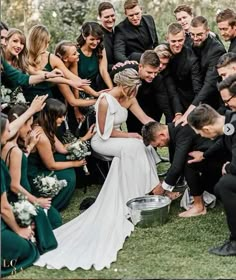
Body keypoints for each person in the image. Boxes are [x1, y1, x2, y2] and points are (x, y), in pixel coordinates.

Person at [33, 68, 161, 270]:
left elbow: (145, 119)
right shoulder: (105, 100)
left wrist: (167, 129)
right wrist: (131, 135)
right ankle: (151, 191)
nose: (136, 91)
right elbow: (104, 132)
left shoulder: (129, 98)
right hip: (102, 142)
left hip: (117, 139)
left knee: (140, 145)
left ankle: (144, 191)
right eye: (134, 87)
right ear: (126, 86)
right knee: (135, 145)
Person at [2, 104, 59, 254]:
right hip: (20, 196)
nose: (30, 129)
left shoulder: (7, 145)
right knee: (55, 221)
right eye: (28, 124)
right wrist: (36, 200)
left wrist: (31, 144)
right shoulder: (14, 150)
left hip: (18, 193)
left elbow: (16, 165)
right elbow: (14, 185)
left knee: (54, 219)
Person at [1, 96, 47, 277]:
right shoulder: (12, 150)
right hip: (8, 208)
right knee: (29, 250)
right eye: (7, 130)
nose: (10, 131)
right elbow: (5, 206)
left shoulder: (12, 148)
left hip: (10, 205)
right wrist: (19, 230)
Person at [187, 104, 236, 256]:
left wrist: (228, 168)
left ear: (206, 129)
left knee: (224, 185)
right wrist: (204, 155)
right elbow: (223, 142)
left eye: (200, 133)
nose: (201, 136)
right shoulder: (229, 122)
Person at [27, 98, 92, 211]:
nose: (63, 119)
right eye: (60, 116)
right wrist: (75, 164)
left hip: (42, 162)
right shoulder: (41, 136)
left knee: (65, 157)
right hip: (34, 172)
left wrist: (85, 138)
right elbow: (51, 165)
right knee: (69, 177)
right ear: (50, 116)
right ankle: (52, 206)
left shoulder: (47, 126)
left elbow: (62, 149)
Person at [141, 121, 213, 205]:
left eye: (158, 144)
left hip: (217, 159)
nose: (160, 148)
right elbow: (175, 163)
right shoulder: (174, 131)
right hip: (205, 161)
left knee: (188, 162)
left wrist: (163, 187)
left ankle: (199, 205)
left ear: (162, 135)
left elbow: (177, 166)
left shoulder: (182, 131)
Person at [176, 16, 226, 125]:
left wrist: (190, 111)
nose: (195, 38)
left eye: (199, 34)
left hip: (211, 100)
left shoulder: (217, 50)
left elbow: (210, 84)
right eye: (192, 34)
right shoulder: (188, 42)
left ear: (207, 31)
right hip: (191, 96)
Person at [24, 24, 90, 102]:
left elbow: (71, 76)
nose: (47, 46)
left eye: (48, 42)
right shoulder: (23, 56)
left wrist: (95, 93)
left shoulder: (51, 58)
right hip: (27, 99)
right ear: (37, 42)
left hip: (47, 100)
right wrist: (69, 82)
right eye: (45, 43)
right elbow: (38, 73)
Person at [54, 40, 96, 134]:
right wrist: (98, 100)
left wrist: (96, 93)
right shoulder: (58, 72)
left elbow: (77, 84)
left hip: (69, 99)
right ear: (65, 58)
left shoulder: (73, 62)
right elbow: (72, 102)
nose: (78, 54)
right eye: (74, 54)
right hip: (56, 100)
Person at [166, 23, 202, 114]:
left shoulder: (192, 59)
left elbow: (197, 87)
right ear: (167, 39)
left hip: (187, 99)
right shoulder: (161, 51)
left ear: (185, 38)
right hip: (166, 97)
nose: (177, 44)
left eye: (180, 40)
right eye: (173, 41)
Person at [76, 21, 113, 96]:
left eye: (98, 39)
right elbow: (75, 79)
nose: (95, 42)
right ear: (84, 36)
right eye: (92, 39)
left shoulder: (100, 49)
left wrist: (111, 89)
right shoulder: (76, 52)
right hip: (79, 89)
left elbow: (103, 71)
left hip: (95, 88)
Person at [98, 2, 116, 72]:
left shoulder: (117, 32)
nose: (110, 19)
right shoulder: (97, 35)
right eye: (107, 17)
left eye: (112, 15)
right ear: (100, 17)